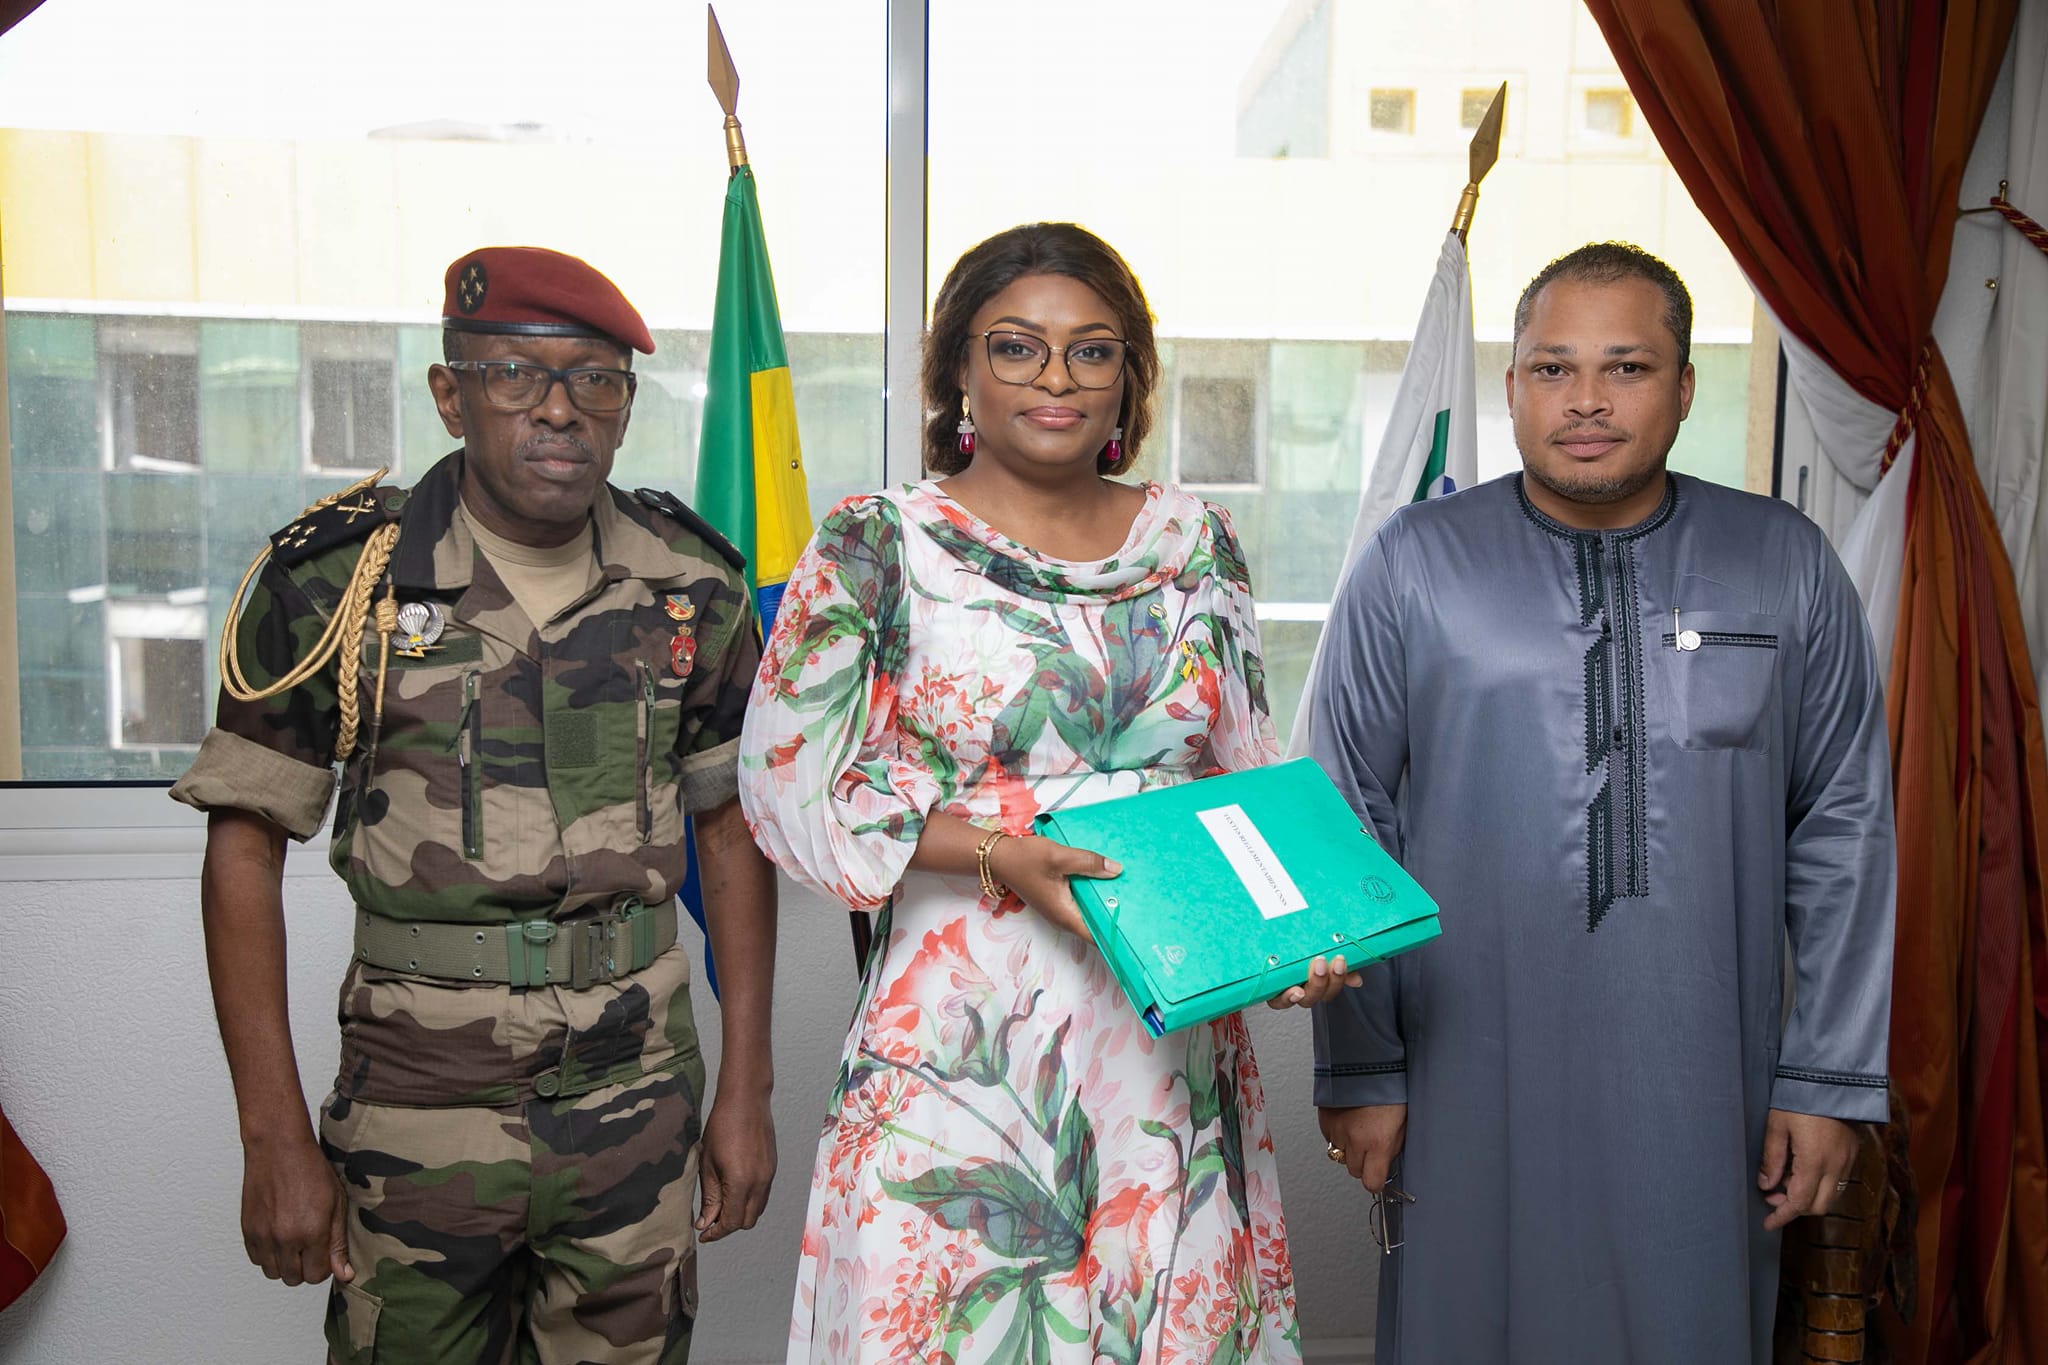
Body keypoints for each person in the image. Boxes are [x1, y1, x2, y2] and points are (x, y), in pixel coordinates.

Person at [739, 222, 1343, 1361]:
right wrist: (995, 852)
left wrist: (1296, 932)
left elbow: (1245, 773)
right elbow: (788, 781)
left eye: (1091, 350)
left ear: (1129, 377)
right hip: (963, 1028)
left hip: (1164, 1022)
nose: (1055, 377)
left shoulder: (1197, 543)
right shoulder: (877, 547)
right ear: (958, 372)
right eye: (1016, 347)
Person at [169, 246, 779, 1365]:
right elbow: (242, 851)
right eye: (516, 375)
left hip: (635, 1096)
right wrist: (271, 1135)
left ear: (626, 404)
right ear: (451, 395)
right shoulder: (338, 584)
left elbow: (730, 827)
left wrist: (749, 1081)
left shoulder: (689, 582)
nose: (559, 410)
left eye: (595, 380)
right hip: (418, 1107)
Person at [1309, 242, 1895, 1363]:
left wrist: (1827, 1079)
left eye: (1625, 367)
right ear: (1511, 385)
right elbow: (1346, 815)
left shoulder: (1783, 561)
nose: (1585, 400)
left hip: (1704, 1089)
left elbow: (1844, 828)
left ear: (1685, 386)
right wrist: (1361, 1064)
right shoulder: (1413, 563)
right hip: (1463, 1077)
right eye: (1551, 368)